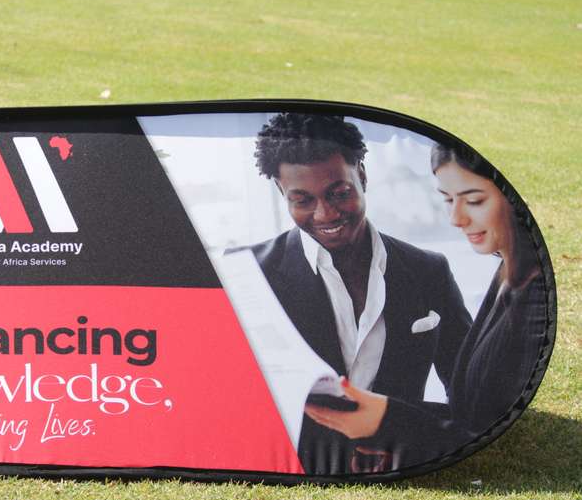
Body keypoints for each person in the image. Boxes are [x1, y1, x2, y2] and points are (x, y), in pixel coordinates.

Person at [235, 113, 472, 475]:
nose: (325, 214)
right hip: (291, 470)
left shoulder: (428, 270)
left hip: (404, 469)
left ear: (362, 175)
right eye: (302, 200)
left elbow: (468, 391)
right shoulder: (248, 273)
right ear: (282, 193)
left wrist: (414, 437)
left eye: (339, 193)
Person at [304, 143, 548, 469]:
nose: (455, 218)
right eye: (447, 199)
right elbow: (470, 409)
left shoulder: (533, 297)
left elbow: (486, 434)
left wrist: (386, 422)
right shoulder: (508, 273)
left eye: (474, 200)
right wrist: (383, 425)